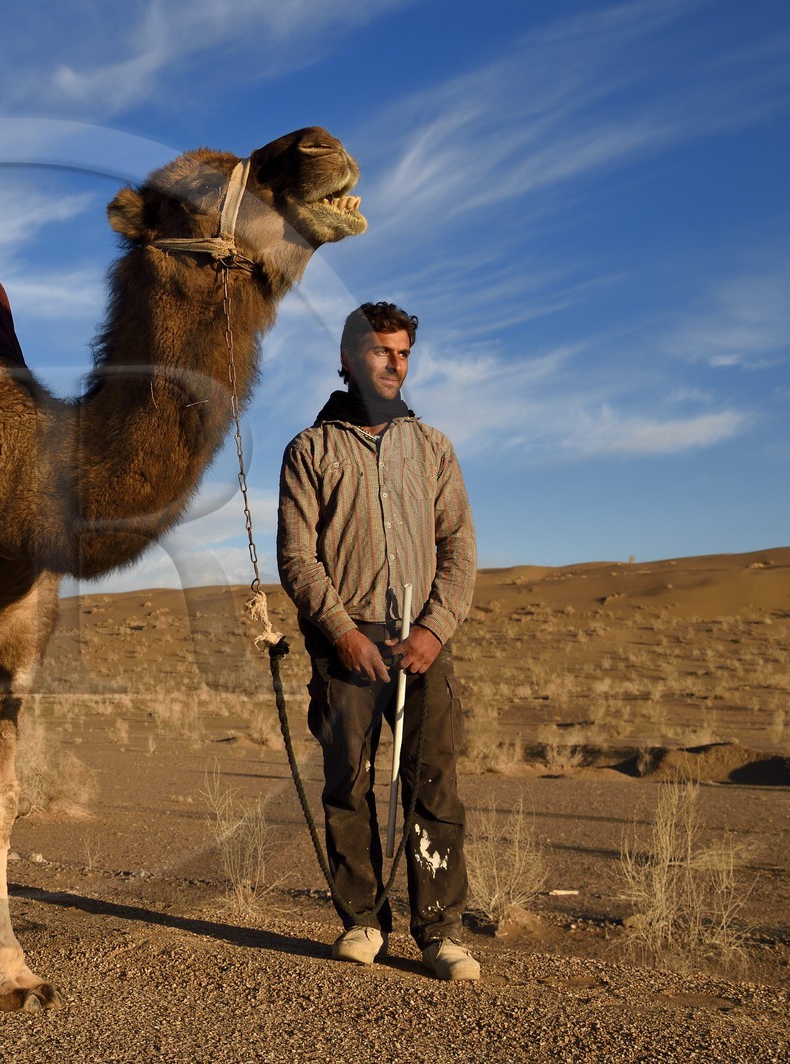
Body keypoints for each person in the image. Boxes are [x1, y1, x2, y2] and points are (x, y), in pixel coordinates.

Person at [276, 301, 479, 981]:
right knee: (348, 784)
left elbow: (459, 547)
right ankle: (363, 921)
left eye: (403, 354)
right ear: (347, 358)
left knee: (433, 784)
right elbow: (298, 556)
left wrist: (435, 629)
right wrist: (341, 632)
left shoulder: (432, 447)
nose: (394, 364)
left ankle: (440, 932)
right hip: (348, 642)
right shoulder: (311, 450)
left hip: (423, 639)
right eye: (380, 351)